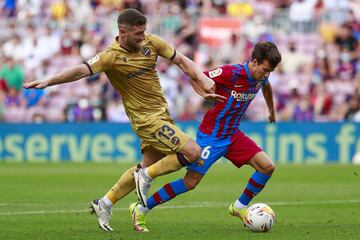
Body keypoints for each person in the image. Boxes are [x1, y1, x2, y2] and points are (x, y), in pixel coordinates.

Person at [22, 8, 222, 232]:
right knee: (192, 152)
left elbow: (183, 62)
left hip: (162, 114)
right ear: (123, 32)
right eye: (138, 33)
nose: (143, 37)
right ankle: (144, 177)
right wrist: (48, 82)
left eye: (144, 31)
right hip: (146, 120)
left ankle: (105, 202)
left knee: (148, 162)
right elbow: (80, 71)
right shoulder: (111, 56)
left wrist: (202, 79)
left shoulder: (152, 43)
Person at [130, 42, 282, 232]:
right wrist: (203, 93)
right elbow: (196, 77)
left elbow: (266, 86)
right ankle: (141, 208)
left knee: (267, 167)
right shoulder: (231, 73)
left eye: (271, 72)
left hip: (233, 134)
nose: (267, 74)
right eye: (266, 69)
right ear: (254, 62)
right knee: (190, 182)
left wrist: (271, 110)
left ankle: (239, 207)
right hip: (212, 135)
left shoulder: (261, 77)